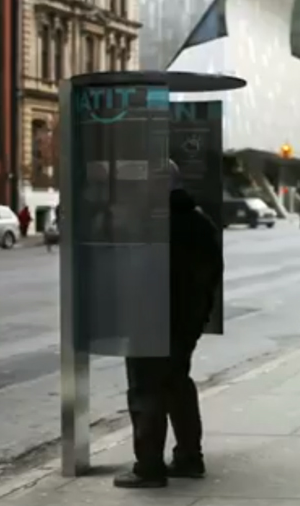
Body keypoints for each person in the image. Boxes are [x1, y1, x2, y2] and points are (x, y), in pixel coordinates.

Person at [114, 160, 224, 489]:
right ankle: (190, 457)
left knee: (146, 390)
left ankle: (149, 467)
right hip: (186, 322)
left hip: (149, 320)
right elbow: (211, 275)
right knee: (177, 384)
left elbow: (131, 274)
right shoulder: (199, 222)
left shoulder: (150, 224)